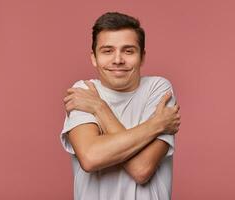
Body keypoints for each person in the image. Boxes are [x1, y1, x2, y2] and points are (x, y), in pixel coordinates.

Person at [60, 12, 181, 200]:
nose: (118, 60)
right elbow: (91, 157)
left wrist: (100, 109)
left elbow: (142, 169)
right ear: (94, 57)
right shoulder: (84, 91)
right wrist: (156, 125)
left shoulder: (158, 89)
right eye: (107, 51)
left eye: (128, 51)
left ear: (142, 57)